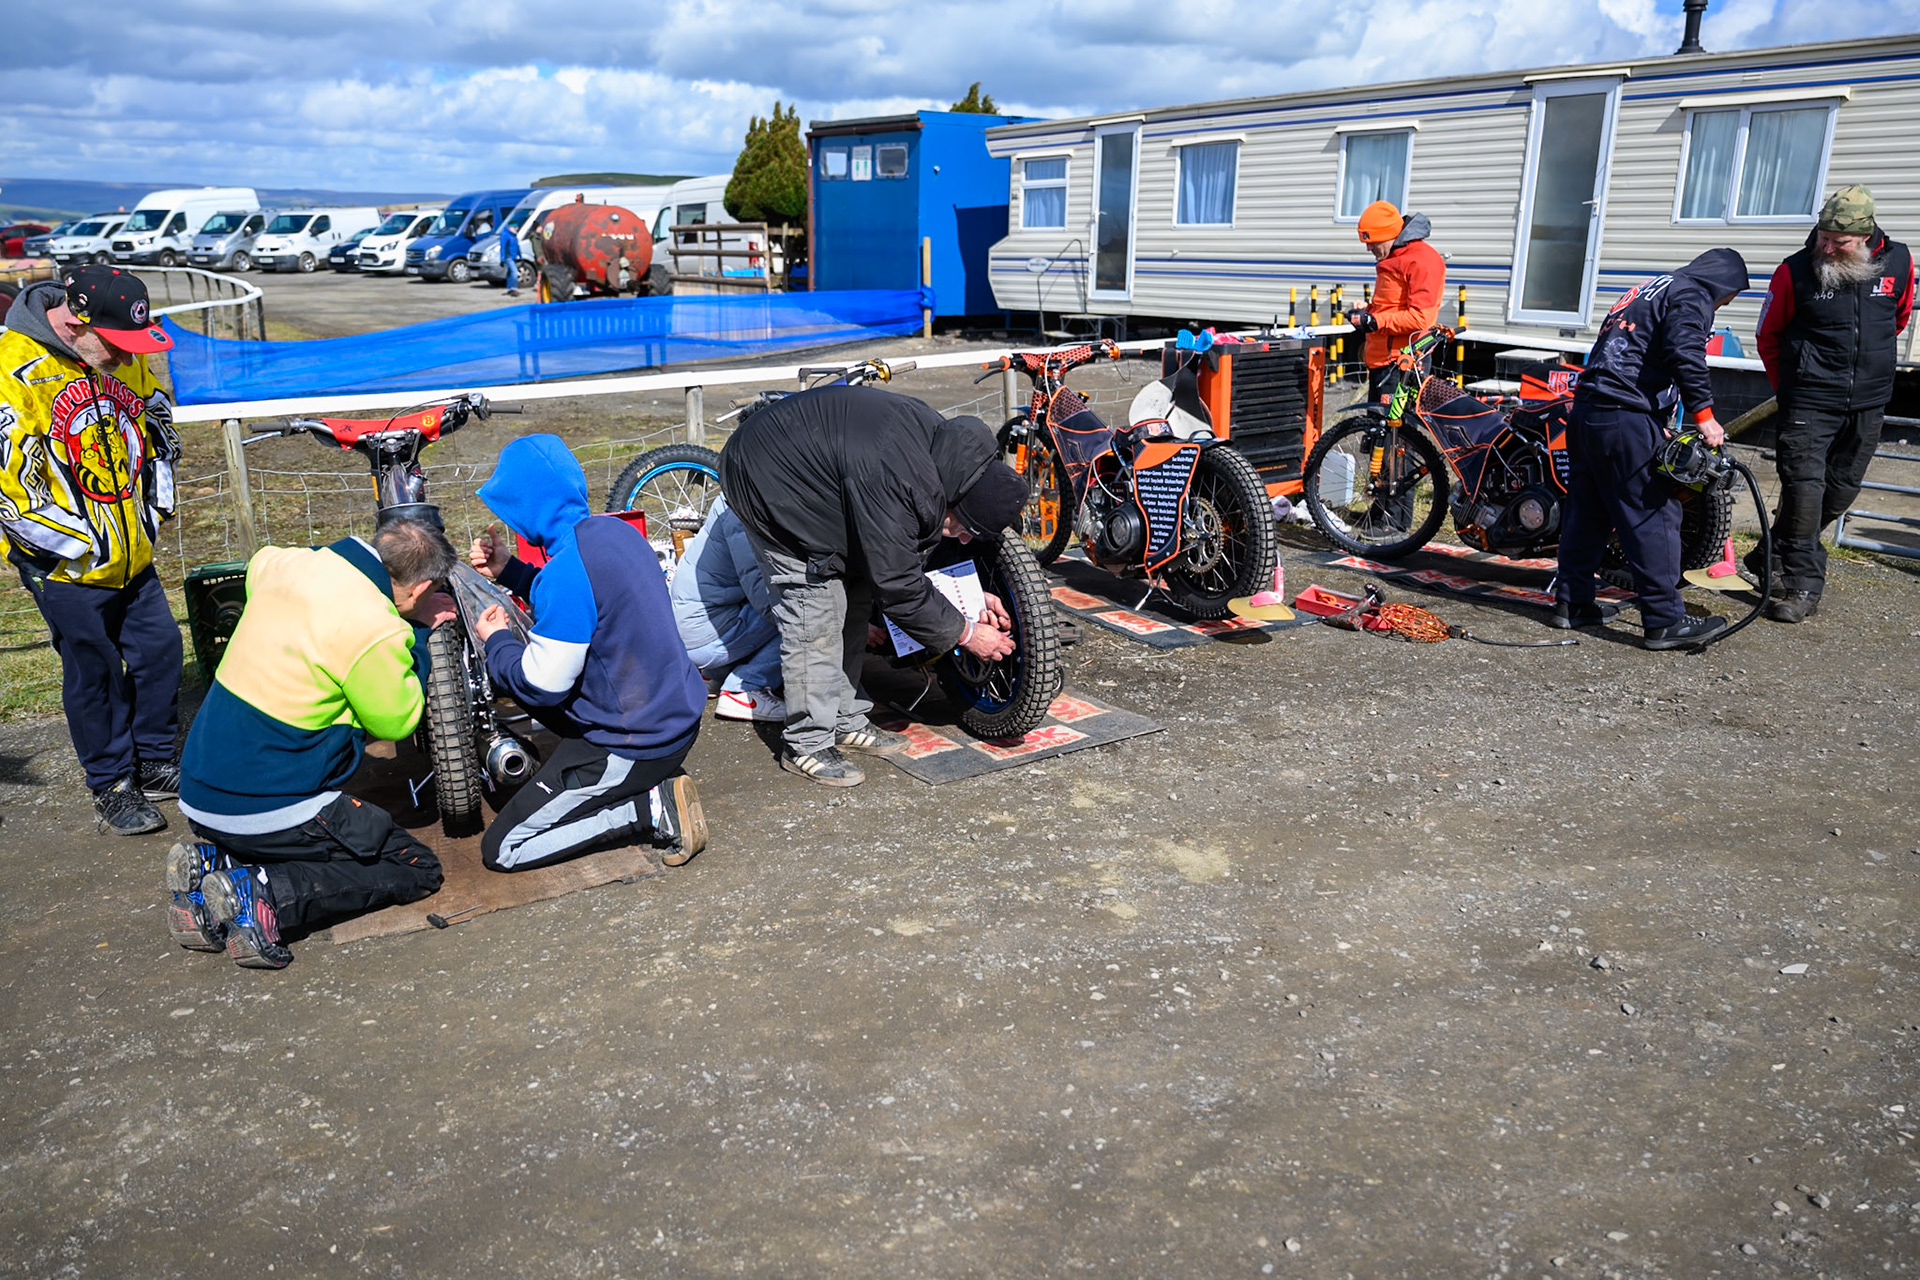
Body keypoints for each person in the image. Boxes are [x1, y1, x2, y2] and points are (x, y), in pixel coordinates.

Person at [172, 518, 458, 969]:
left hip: (199, 792)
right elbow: (397, 719)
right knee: (416, 867)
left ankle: (214, 862)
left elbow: (258, 564)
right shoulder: (375, 628)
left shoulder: (285, 564)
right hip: (273, 806)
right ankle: (263, 893)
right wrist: (420, 632)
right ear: (422, 588)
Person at [719, 387, 1026, 787]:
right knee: (817, 610)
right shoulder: (900, 481)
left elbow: (906, 557)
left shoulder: (950, 463)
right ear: (956, 502)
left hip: (828, 475)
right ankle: (806, 743)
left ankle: (844, 718)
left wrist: (968, 595)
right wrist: (966, 633)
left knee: (857, 596)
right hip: (768, 477)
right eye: (966, 530)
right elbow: (899, 584)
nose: (964, 540)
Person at [468, 434, 708, 870]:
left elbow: (541, 687)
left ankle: (648, 809)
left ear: (526, 507)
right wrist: (513, 572)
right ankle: (639, 786)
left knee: (502, 849)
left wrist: (497, 642)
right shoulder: (612, 531)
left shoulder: (565, 574)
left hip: (638, 743)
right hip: (675, 713)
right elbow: (585, 601)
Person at [1, 265, 184, 836]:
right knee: (94, 670)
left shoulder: (120, 352)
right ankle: (112, 783)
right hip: (63, 560)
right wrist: (70, 546)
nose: (127, 357)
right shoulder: (13, 369)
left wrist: (155, 506)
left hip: (131, 546)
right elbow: (7, 481)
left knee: (160, 649)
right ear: (76, 323)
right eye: (115, 344)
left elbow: (156, 419)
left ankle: (154, 760)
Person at [1554, 248, 1751, 651]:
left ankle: (1572, 604)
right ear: (1723, 285)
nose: (1722, 306)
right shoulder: (1692, 293)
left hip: (1588, 410)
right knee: (1654, 516)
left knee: (1587, 511)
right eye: (1726, 299)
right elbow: (1686, 352)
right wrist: (1705, 416)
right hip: (1625, 416)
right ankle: (1665, 621)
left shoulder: (1648, 288)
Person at [1751, 184, 1914, 622]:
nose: (1827, 246)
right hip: (1807, 401)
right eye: (1823, 237)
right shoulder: (1795, 271)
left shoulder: (1898, 261)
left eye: (1838, 242)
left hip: (1869, 400)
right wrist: (1791, 386)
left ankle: (1767, 552)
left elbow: (1897, 318)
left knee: (1840, 492)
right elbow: (1768, 335)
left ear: (1864, 237)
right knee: (1804, 495)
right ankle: (1802, 585)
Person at [668, 494, 785, 722]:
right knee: (802, 614)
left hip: (696, 626)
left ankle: (715, 674)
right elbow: (760, 592)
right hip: (705, 636)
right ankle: (744, 689)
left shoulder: (731, 497)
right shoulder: (742, 509)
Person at [1347, 200, 1447, 404]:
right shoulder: (1393, 257)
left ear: (1388, 235)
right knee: (1377, 428)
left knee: (1396, 432)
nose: (1369, 248)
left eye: (1372, 242)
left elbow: (1422, 318)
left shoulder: (1422, 260)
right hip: (1382, 361)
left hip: (1402, 363)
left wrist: (1375, 321)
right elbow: (1393, 305)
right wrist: (1367, 311)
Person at [501, 216, 522, 298]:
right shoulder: (505, 235)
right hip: (508, 257)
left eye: (516, 227)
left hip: (513, 257)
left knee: (510, 273)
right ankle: (513, 288)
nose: (516, 228)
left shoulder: (514, 235)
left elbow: (517, 246)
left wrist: (520, 256)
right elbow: (503, 247)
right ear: (510, 227)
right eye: (514, 227)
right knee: (514, 272)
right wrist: (502, 258)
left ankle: (510, 288)